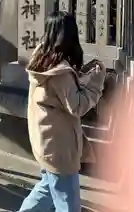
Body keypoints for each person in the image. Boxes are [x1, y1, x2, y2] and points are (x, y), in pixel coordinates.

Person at [18, 11, 106, 212]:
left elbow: (61, 95)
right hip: (60, 150)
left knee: (46, 190)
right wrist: (96, 83)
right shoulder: (60, 72)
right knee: (69, 205)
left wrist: (80, 74)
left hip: (46, 144)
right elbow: (78, 106)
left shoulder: (41, 60)